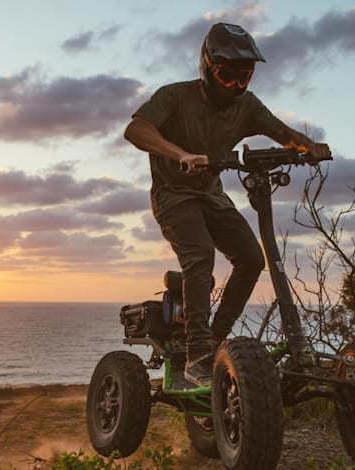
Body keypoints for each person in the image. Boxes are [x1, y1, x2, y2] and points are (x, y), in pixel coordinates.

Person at [124, 22, 331, 387]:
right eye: (227, 75)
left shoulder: (245, 106)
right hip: (174, 195)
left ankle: (215, 339)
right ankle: (198, 354)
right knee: (201, 255)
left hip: (212, 196)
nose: (235, 85)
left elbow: (282, 132)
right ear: (207, 66)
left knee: (251, 258)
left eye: (244, 77)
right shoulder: (174, 97)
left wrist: (307, 147)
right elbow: (136, 130)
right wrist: (180, 154)